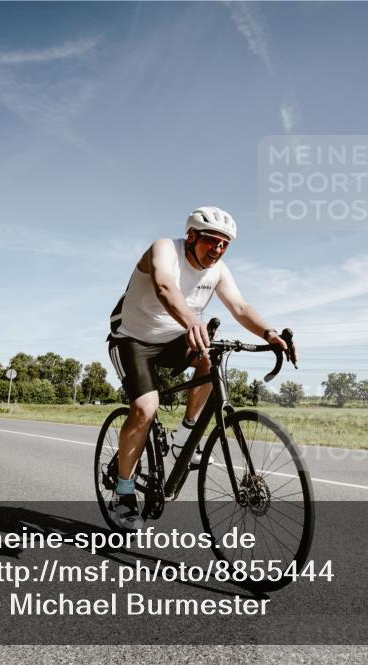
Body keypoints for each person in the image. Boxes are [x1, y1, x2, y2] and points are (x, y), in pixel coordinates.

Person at [106, 206, 296, 530]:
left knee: (211, 358)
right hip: (132, 339)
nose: (218, 250)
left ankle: (185, 436)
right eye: (211, 241)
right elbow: (165, 286)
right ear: (191, 235)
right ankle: (123, 492)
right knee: (145, 408)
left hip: (174, 338)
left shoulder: (218, 270)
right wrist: (193, 320)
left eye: (225, 244)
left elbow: (239, 306)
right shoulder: (165, 248)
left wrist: (270, 333)